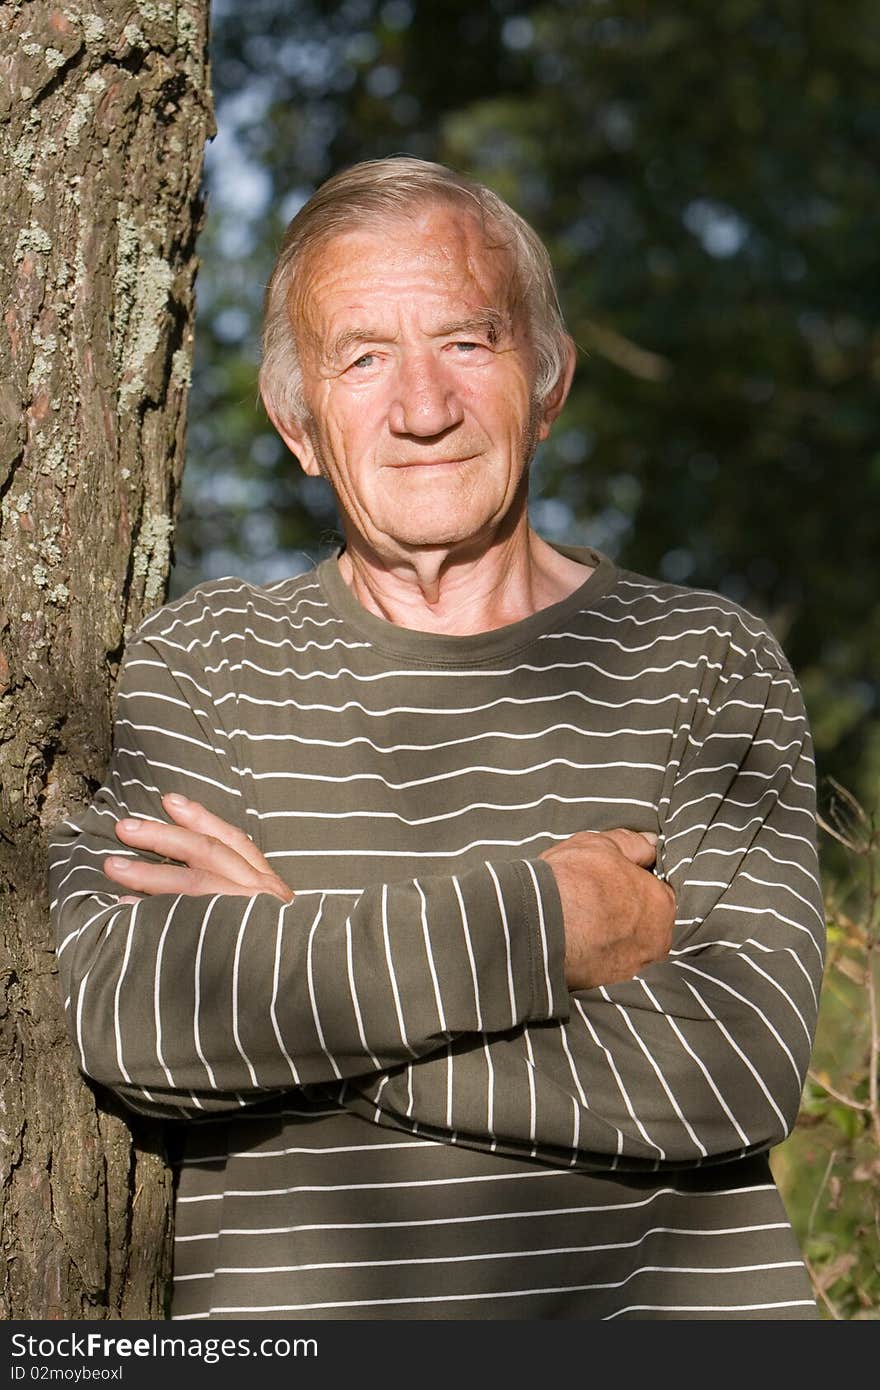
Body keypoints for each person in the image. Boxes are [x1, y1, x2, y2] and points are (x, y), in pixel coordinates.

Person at [49, 156, 825, 1321]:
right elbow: (131, 1010)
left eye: (468, 342)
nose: (422, 407)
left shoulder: (699, 660)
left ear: (547, 382)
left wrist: (286, 963)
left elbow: (737, 1063)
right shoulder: (200, 665)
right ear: (298, 422)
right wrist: (543, 921)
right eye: (362, 358)